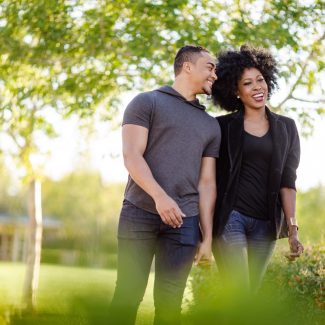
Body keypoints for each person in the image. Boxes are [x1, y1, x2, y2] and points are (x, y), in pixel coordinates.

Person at [109, 45, 221, 324]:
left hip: (184, 221)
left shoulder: (210, 125)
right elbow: (131, 156)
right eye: (210, 67)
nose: (215, 75)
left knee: (170, 304)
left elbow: (207, 183)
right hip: (139, 212)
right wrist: (160, 197)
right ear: (187, 67)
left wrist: (206, 237)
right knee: (127, 295)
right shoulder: (146, 102)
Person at [211, 45, 304, 293]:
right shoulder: (222, 127)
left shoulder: (287, 127)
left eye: (260, 80)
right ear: (236, 91)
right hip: (232, 217)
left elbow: (288, 181)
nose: (257, 88)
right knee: (239, 289)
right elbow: (208, 178)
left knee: (251, 296)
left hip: (267, 223)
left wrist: (293, 229)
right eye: (248, 83)